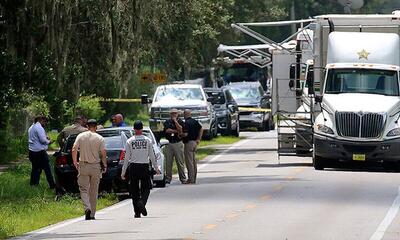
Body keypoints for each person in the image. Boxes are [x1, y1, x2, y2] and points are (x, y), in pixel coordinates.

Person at [121, 120, 160, 218]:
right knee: (146, 188)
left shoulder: (129, 141)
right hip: (144, 166)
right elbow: (152, 156)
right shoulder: (147, 140)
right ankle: (142, 202)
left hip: (133, 167)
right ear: (142, 129)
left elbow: (126, 158)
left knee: (134, 190)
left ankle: (137, 212)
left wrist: (123, 172)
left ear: (134, 129)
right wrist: (156, 168)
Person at [72, 119, 107, 220]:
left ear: (87, 127)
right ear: (96, 127)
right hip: (95, 166)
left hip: (83, 165)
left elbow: (74, 149)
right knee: (94, 190)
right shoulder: (100, 138)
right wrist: (104, 165)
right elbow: (103, 153)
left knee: (83, 189)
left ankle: (87, 207)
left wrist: (75, 161)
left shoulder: (81, 136)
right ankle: (92, 214)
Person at [28, 115, 56, 189]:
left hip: (32, 151)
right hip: (39, 152)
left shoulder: (31, 127)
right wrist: (49, 141)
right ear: (41, 120)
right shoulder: (39, 127)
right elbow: (43, 141)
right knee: (47, 169)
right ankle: (52, 185)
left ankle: (33, 185)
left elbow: (37, 138)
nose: (45, 124)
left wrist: (45, 137)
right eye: (45, 122)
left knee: (35, 169)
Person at [163, 108, 187, 184]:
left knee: (180, 162)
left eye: (175, 113)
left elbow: (181, 130)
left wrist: (176, 122)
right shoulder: (167, 122)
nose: (173, 115)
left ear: (178, 114)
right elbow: (167, 130)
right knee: (168, 162)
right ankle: (168, 178)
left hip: (178, 142)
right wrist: (177, 131)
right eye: (172, 113)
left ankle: (183, 178)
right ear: (170, 114)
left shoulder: (180, 121)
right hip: (169, 143)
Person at [182, 109, 203, 184]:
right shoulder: (195, 121)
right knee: (194, 161)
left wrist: (180, 134)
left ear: (185, 114)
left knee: (189, 162)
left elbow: (185, 134)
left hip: (188, 143)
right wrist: (198, 139)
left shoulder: (186, 123)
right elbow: (201, 129)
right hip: (195, 142)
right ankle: (194, 177)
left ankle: (191, 179)